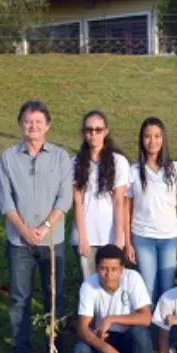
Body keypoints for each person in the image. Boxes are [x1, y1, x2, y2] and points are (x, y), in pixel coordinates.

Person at [0, 100, 73, 353]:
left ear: (48, 126)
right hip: (20, 242)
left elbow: (64, 199)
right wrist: (24, 230)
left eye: (39, 122)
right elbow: (5, 200)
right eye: (28, 121)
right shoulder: (7, 157)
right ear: (20, 124)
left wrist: (43, 227)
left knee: (55, 297)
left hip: (52, 241)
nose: (33, 126)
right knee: (20, 299)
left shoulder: (60, 157)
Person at [73, 245, 154, 353]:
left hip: (128, 337)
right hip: (105, 337)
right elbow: (82, 328)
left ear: (122, 269)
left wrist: (111, 319)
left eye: (114, 269)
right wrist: (106, 348)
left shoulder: (133, 278)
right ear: (96, 268)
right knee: (81, 351)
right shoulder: (89, 285)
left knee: (141, 333)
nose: (108, 275)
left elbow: (146, 318)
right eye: (103, 269)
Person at [124, 117, 177, 304]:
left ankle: (166, 333)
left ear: (163, 139)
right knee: (147, 291)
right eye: (147, 136)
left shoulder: (176, 169)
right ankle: (147, 332)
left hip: (169, 237)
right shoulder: (134, 170)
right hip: (142, 237)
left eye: (157, 136)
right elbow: (126, 207)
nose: (152, 141)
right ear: (141, 140)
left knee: (167, 290)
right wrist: (128, 242)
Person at [71, 110, 129, 280]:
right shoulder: (75, 162)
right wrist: (82, 237)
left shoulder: (118, 162)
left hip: (110, 235)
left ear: (106, 131)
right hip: (86, 236)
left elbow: (119, 201)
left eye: (98, 130)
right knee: (89, 284)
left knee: (111, 284)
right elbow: (77, 201)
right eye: (89, 130)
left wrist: (119, 238)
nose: (93, 134)